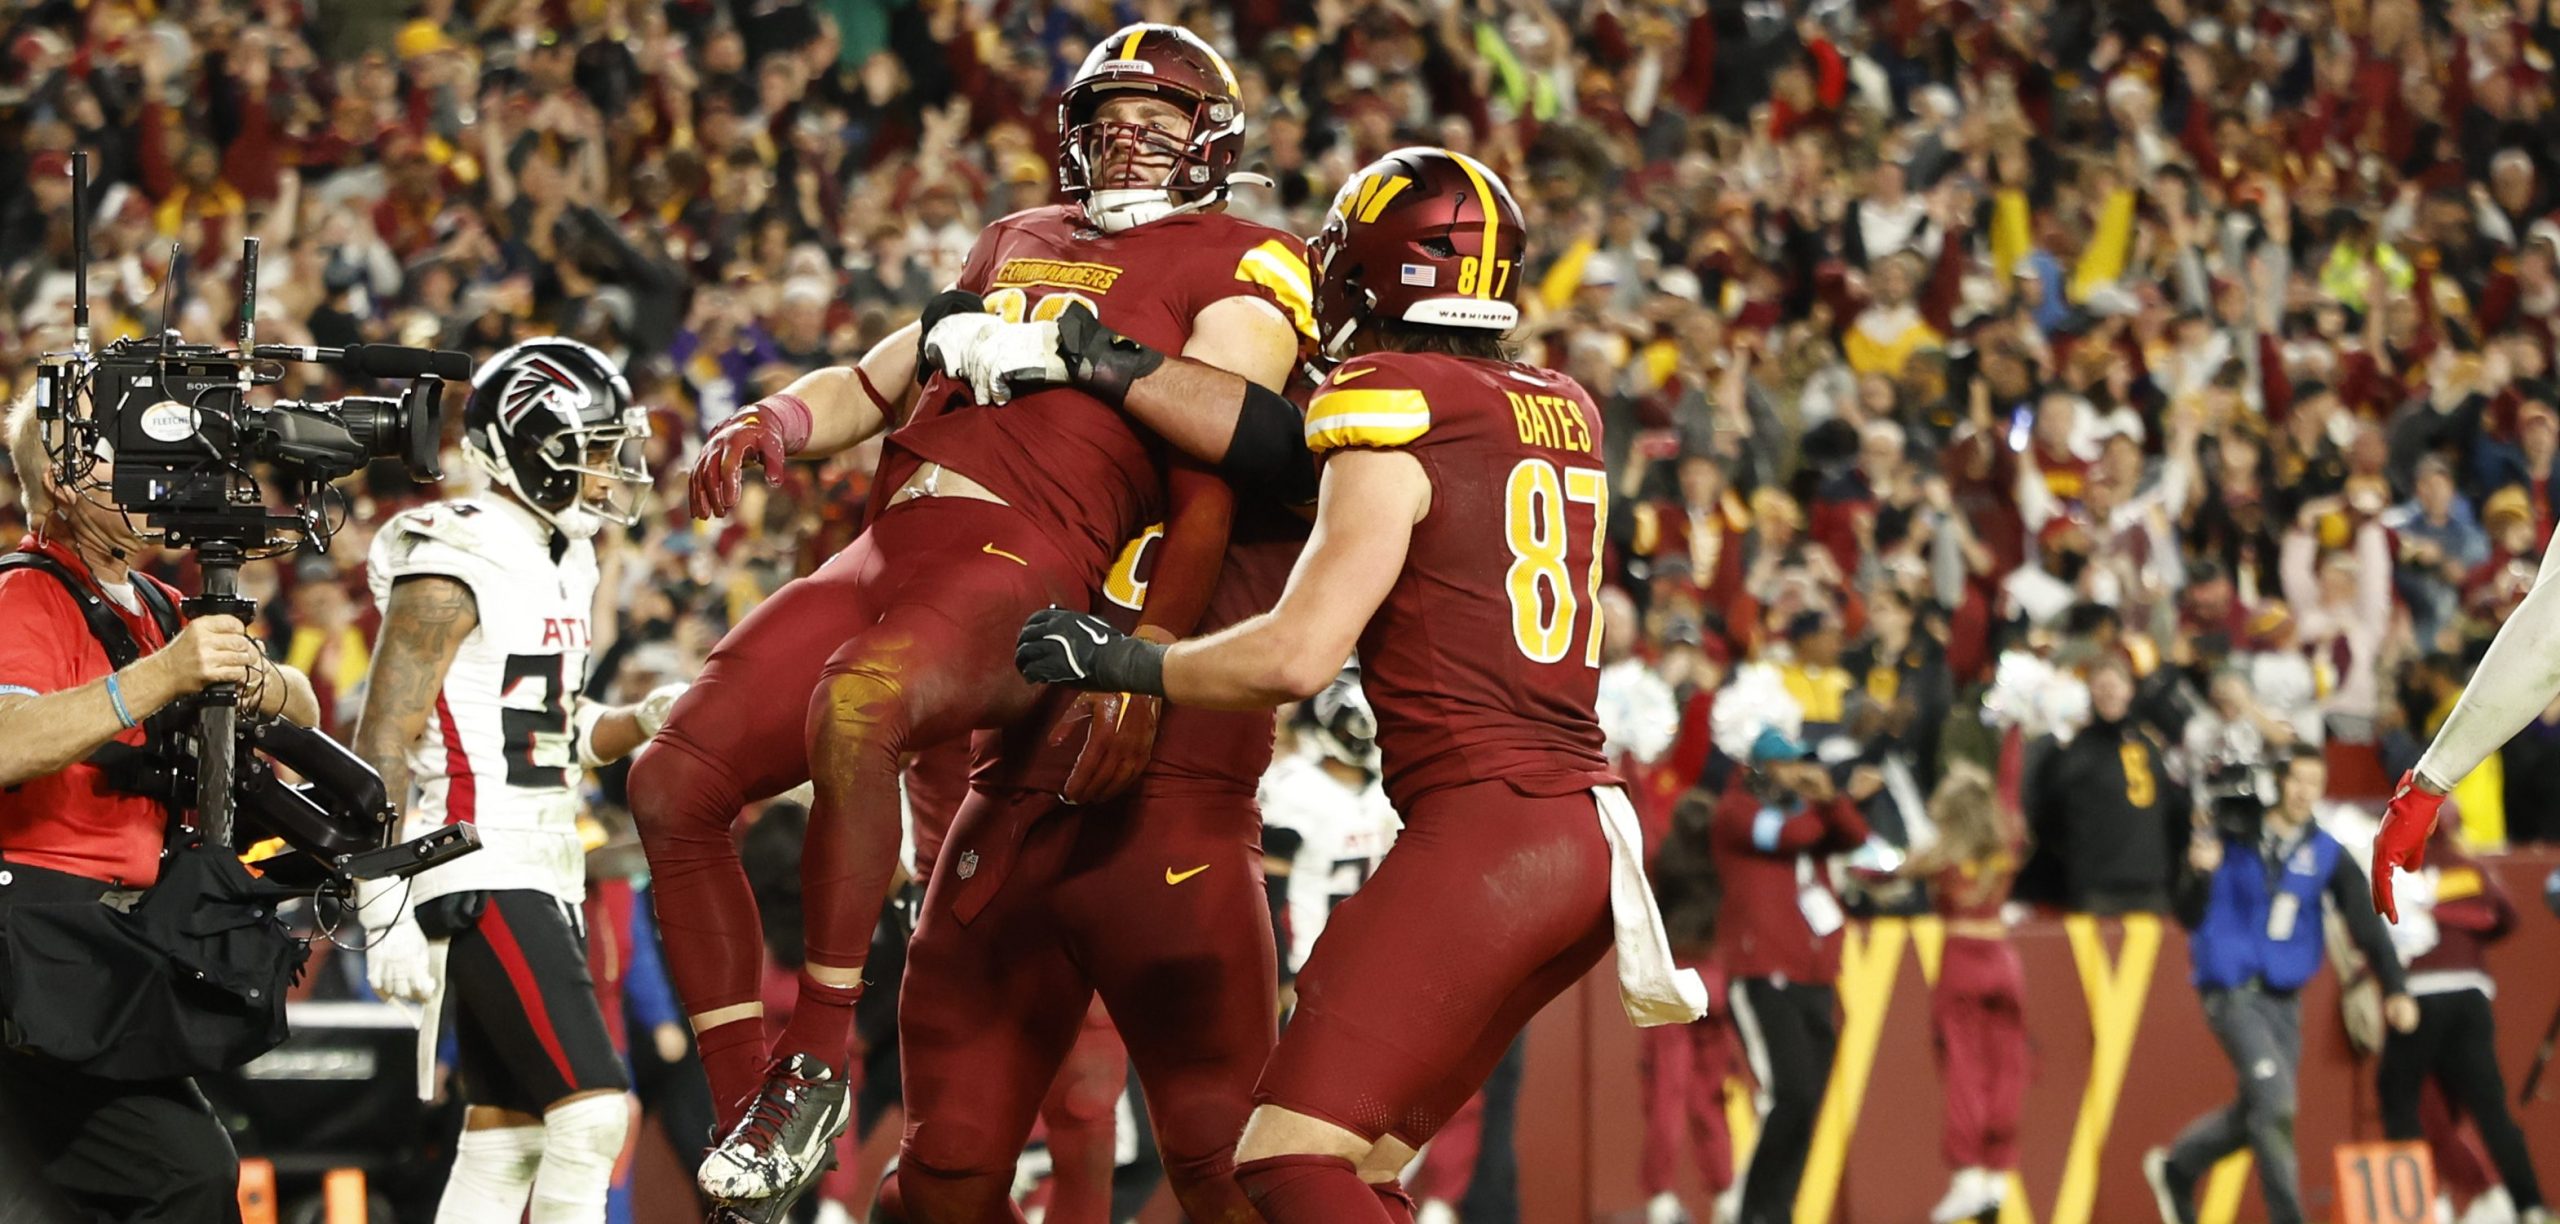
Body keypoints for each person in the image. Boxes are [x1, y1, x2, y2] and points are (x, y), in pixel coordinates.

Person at [632, 21, 1308, 1217]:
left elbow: (1236, 423)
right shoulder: (1017, 236)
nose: (1128, 146)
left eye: (1157, 125)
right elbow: (889, 372)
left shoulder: (1243, 256)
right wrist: (777, 421)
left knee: (860, 706)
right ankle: (760, 1107)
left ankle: (820, 1055)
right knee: (671, 779)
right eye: (1108, 124)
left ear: (1211, 143)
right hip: (890, 540)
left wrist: (1081, 355)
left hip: (1025, 550)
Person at [999, 146, 1708, 1223]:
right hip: (1578, 840)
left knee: (1284, 1164)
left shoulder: (1391, 393)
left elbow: (1294, 655)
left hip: (1486, 831)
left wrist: (1126, 658)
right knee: (1363, 1170)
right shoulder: (1559, 401)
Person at [351, 339, 684, 1224]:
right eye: (598, 448)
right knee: (593, 1117)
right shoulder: (451, 550)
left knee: (509, 1140)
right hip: (475, 859)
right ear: (537, 446)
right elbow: (383, 736)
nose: (615, 471)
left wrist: (638, 721)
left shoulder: (561, 554)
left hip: (542, 861)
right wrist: (378, 899)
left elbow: (550, 728)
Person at [0, 388, 320, 1221]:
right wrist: (165, 676)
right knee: (185, 1175)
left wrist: (266, 681)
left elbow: (307, 706)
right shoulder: (22, 595)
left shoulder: (161, 605)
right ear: (64, 482)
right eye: (125, 456)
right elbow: (5, 743)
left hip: (111, 949)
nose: (160, 479)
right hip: (37, 944)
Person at [2146, 749, 2418, 1224]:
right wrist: (2198, 871)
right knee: (2276, 1102)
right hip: (2231, 990)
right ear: (2277, 782)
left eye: (2315, 781)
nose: (2304, 791)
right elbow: (2187, 913)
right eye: (2296, 780)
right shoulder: (2233, 831)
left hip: (2283, 1000)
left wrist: (2394, 985)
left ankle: (2179, 1167)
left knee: (2262, 1108)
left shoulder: (2324, 851)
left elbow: (2364, 919)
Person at [1710, 728, 1874, 1224]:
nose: (1795, 774)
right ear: (1759, 767)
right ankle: (1753, 1210)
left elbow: (1857, 836)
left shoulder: (1810, 813)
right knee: (1790, 1093)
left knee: (1807, 1104)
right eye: (1784, 765)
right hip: (1763, 970)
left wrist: (1831, 799)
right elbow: (1787, 835)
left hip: (1814, 975)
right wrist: (1824, 799)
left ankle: (1776, 1210)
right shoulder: (1737, 811)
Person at [1904, 764, 2029, 1224]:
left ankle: (1968, 1176)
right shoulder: (2005, 846)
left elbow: (1887, 874)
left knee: (1963, 1068)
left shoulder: (1941, 855)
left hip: (1961, 961)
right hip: (2002, 958)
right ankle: (1999, 1173)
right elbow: (2012, 788)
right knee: (2007, 1067)